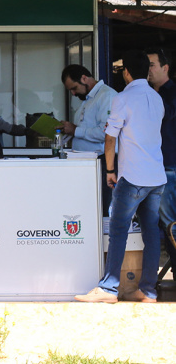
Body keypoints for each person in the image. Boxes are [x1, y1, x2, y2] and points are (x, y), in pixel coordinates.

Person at [76, 50, 164, 304]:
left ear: (126, 72)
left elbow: (111, 137)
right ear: (146, 71)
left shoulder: (123, 98)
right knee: (150, 232)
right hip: (155, 176)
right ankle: (148, 291)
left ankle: (109, 288)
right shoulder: (156, 99)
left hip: (133, 175)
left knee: (118, 229)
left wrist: (110, 170)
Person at [60, 64, 117, 214]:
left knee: (102, 207)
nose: (73, 93)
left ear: (84, 78)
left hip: (102, 161)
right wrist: (70, 130)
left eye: (74, 88)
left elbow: (106, 133)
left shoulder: (106, 96)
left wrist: (75, 130)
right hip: (88, 162)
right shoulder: (88, 99)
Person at [146, 48, 176, 269]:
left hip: (170, 167)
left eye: (152, 65)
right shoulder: (153, 93)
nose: (148, 70)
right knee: (168, 225)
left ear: (165, 68)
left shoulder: (171, 93)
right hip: (160, 167)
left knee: (171, 225)